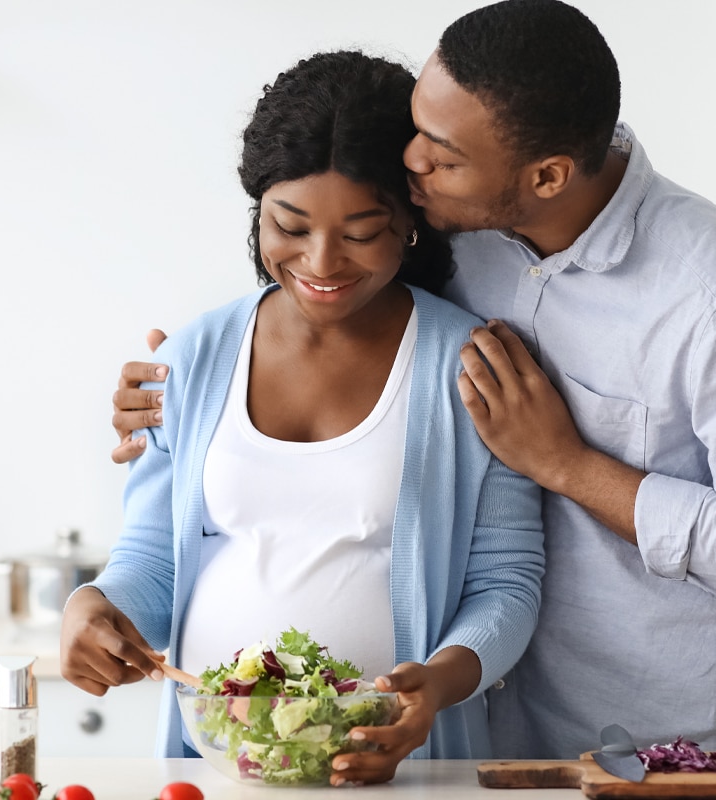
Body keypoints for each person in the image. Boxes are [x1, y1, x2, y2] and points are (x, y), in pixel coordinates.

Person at [108, 0, 716, 762]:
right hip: (472, 746)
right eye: (417, 129)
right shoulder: (461, 228)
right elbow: (322, 279)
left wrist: (568, 466)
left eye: (440, 153)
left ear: (547, 175)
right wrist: (190, 390)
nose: (411, 165)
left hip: (646, 748)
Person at [60, 49, 545, 785]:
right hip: (216, 763)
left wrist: (439, 684)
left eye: (360, 232)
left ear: (411, 222)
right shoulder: (192, 356)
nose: (322, 262)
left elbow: (506, 583)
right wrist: (93, 607)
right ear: (258, 210)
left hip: (399, 769)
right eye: (289, 225)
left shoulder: (468, 366)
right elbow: (153, 558)